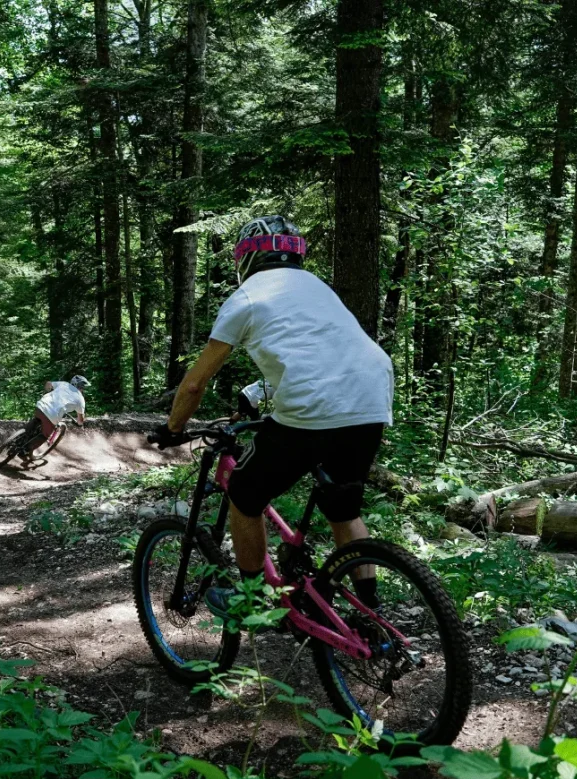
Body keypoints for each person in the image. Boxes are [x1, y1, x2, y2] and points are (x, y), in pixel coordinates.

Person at [150, 215, 393, 619]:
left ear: (244, 260)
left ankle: (251, 599)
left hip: (311, 405)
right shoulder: (318, 288)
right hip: (372, 395)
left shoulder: (246, 297)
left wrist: (173, 428)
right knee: (344, 509)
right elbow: (321, 351)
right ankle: (371, 613)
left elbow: (195, 384)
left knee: (245, 495)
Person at [22, 375, 90, 460]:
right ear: (81, 387)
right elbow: (80, 420)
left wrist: (47, 391)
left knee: (36, 420)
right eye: (83, 387)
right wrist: (79, 424)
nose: (83, 389)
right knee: (45, 435)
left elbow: (48, 384)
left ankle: (18, 438)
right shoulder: (80, 399)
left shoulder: (64, 384)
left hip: (40, 405)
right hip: (52, 416)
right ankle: (24, 451)